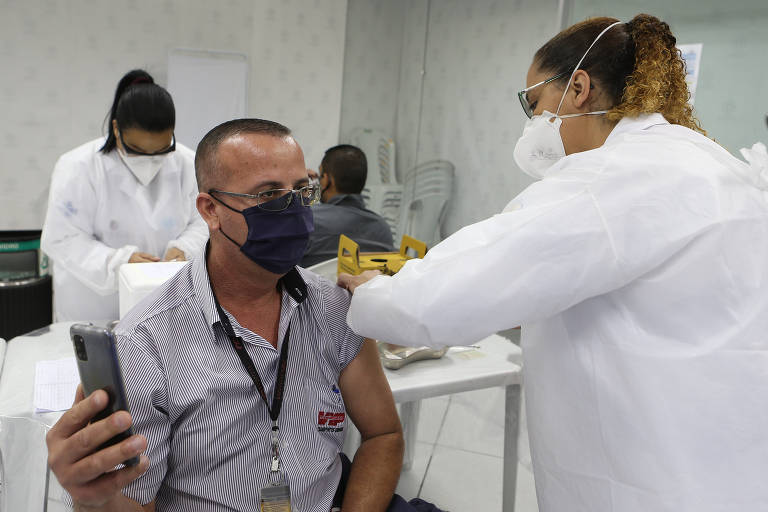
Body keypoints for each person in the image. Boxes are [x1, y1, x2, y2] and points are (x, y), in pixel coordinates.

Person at [339, 14, 768, 512]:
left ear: (579, 88)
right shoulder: (708, 161)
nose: (532, 122)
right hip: (730, 459)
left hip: (652, 473)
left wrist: (376, 292)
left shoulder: (610, 177)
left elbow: (449, 293)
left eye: (535, 103)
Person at [46, 118, 405, 512]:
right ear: (211, 210)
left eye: (303, 190)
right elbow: (133, 502)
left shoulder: (333, 310)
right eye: (269, 194)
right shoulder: (145, 346)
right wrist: (93, 500)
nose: (295, 209)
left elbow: (383, 435)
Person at [41, 69, 207, 322]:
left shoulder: (187, 162)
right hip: (94, 308)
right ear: (116, 130)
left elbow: (204, 220)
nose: (150, 161)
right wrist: (119, 263)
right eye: (137, 150)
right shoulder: (78, 167)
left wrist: (184, 249)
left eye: (163, 150)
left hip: (164, 306)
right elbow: (62, 239)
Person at [301, 144, 394, 267]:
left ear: (329, 180)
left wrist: (293, 187)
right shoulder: (383, 229)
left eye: (321, 175)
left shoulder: (308, 218)